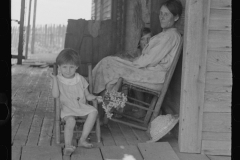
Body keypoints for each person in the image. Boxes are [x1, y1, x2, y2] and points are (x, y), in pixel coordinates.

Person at [92, 0, 182, 116]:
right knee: (109, 62)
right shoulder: (166, 34)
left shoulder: (170, 36)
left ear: (176, 17)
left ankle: (93, 99)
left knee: (108, 63)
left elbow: (150, 59)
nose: (162, 17)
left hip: (154, 77)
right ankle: (100, 100)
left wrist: (132, 62)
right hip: (150, 72)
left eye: (166, 14)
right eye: (161, 13)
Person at [49, 49, 103, 155]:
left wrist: (96, 98)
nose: (68, 70)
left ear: (76, 67)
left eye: (71, 67)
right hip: (66, 107)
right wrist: (54, 79)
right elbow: (55, 95)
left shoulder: (80, 79)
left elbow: (87, 95)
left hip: (80, 105)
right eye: (64, 67)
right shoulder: (58, 80)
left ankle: (82, 139)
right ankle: (68, 146)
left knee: (94, 112)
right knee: (71, 121)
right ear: (59, 67)